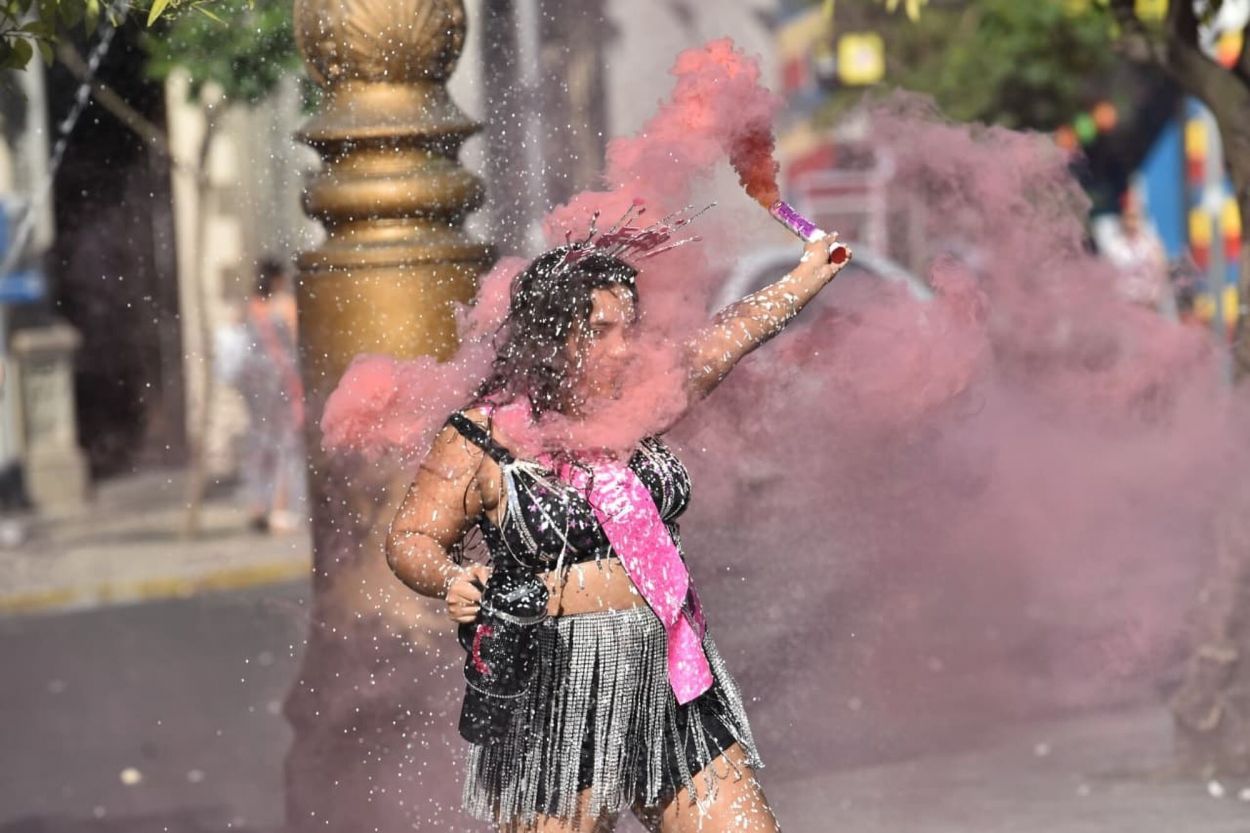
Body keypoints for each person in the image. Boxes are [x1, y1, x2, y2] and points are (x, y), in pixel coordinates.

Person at [385, 210, 851, 833]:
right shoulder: (485, 435)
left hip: (669, 680)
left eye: (628, 328)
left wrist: (807, 276)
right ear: (550, 338)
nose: (623, 347)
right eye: (599, 331)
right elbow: (412, 538)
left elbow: (729, 334)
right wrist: (451, 578)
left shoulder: (640, 402)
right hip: (554, 690)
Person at [234, 257, 306, 534]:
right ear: (279, 279)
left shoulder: (252, 306)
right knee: (286, 444)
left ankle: (257, 505)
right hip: (281, 377)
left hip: (254, 378)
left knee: (260, 440)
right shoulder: (285, 304)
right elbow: (298, 339)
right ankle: (279, 508)